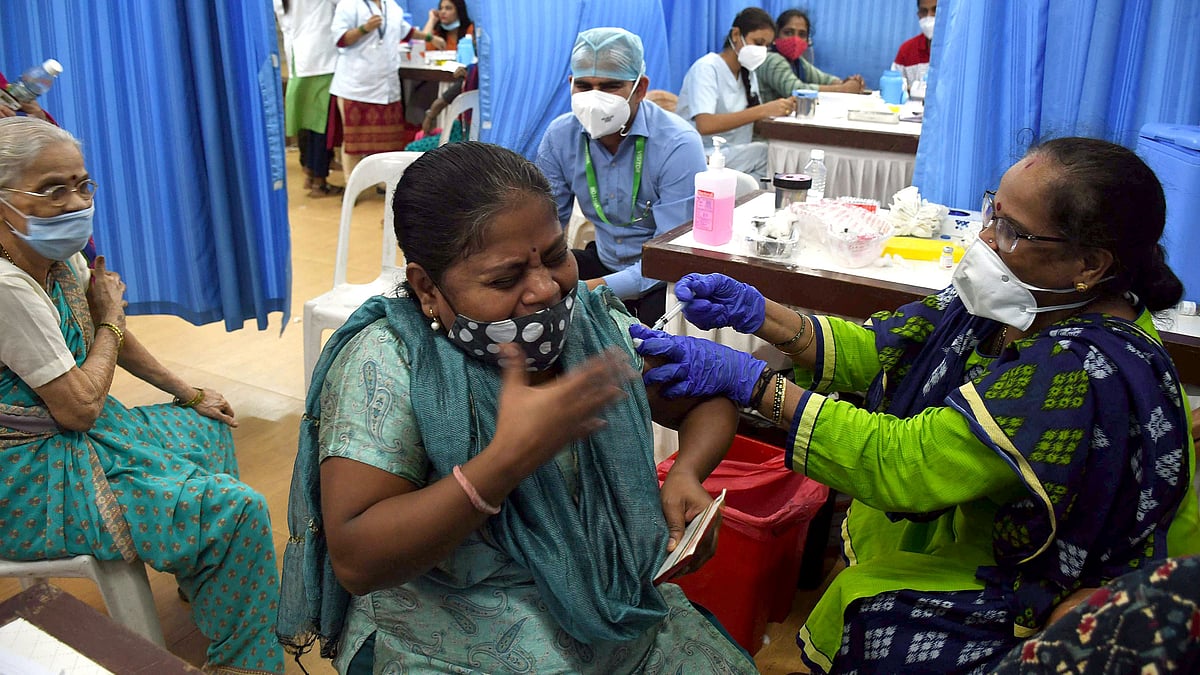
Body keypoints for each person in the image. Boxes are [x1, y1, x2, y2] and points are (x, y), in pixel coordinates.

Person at [629, 136, 1200, 674]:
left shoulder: (1081, 367)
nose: (987, 241)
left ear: (1089, 266)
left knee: (880, 623)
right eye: (991, 212)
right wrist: (764, 315)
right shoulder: (1017, 301)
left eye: (1013, 231)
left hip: (1052, 578)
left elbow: (906, 461)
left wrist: (755, 386)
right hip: (967, 526)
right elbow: (884, 348)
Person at [275, 141, 756, 673]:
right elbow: (357, 559)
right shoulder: (389, 363)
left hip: (616, 612)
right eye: (505, 280)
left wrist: (687, 472)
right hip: (453, 643)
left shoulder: (589, 330)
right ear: (428, 288)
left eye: (555, 256)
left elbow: (706, 399)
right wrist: (505, 462)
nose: (546, 290)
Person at [0, 117, 283, 674]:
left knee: (207, 426)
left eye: (83, 185)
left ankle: (210, 581)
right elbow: (80, 406)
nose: (75, 202)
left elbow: (113, 339)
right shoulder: (8, 287)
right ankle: (245, 664)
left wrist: (189, 391)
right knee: (240, 510)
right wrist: (110, 319)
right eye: (52, 190)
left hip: (80, 431)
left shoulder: (58, 257)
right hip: (27, 473)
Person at [536, 28, 707, 325]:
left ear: (640, 88)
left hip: (660, 276)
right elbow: (543, 229)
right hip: (602, 260)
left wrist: (590, 291)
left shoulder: (677, 144)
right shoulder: (560, 136)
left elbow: (670, 259)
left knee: (649, 352)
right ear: (570, 84)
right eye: (584, 85)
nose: (594, 99)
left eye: (610, 86)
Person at [676, 7, 796, 177]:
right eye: (758, 42)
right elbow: (705, 124)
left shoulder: (748, 73)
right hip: (703, 154)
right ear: (735, 35)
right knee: (766, 154)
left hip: (733, 154)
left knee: (779, 152)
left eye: (767, 46)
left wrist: (784, 112)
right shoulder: (707, 68)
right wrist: (763, 110)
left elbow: (752, 121)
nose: (762, 50)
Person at [329, 0, 416, 179]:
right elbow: (340, 39)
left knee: (388, 143)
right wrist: (364, 29)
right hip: (356, 85)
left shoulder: (391, 6)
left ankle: (384, 182)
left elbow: (407, 32)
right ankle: (352, 184)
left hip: (387, 86)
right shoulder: (348, 5)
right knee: (354, 141)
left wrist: (431, 39)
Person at [276, 0, 344, 197]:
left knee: (307, 123)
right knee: (322, 124)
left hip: (298, 58)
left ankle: (310, 171)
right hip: (321, 59)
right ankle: (319, 182)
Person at [757, 9, 865, 101]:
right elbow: (795, 90)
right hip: (764, 124)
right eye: (788, 32)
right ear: (776, 35)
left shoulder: (797, 62)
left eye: (802, 34)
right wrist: (843, 89)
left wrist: (848, 82)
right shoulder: (771, 59)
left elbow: (824, 79)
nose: (795, 39)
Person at [893, 0, 936, 95]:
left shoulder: (959, 50)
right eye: (924, 11)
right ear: (918, 14)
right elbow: (893, 89)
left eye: (935, 10)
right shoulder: (907, 50)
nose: (929, 16)